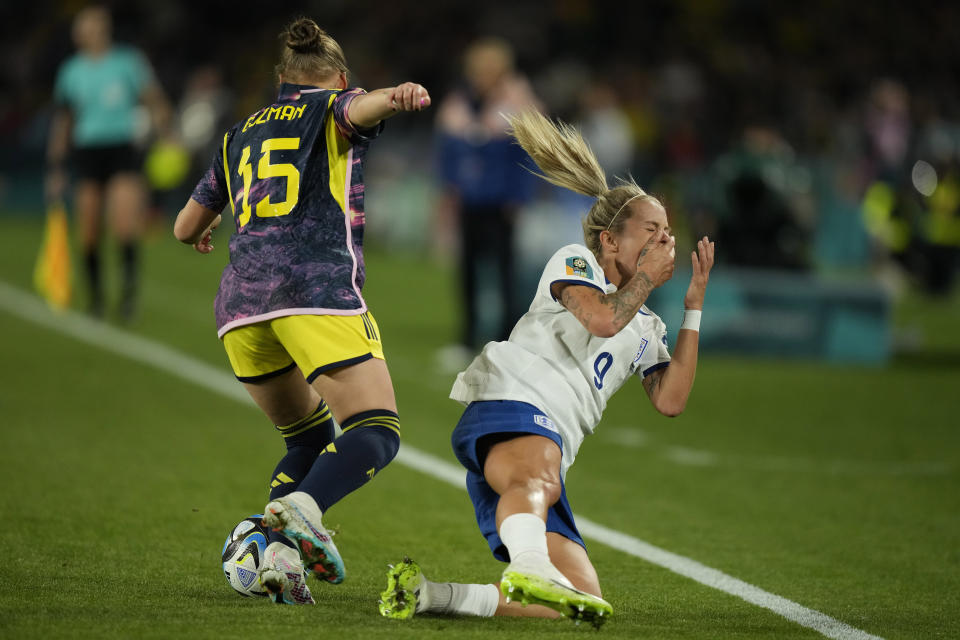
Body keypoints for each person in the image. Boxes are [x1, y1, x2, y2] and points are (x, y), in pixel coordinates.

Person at [379, 110, 715, 627]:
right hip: (516, 399)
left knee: (579, 599)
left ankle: (430, 595)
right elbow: (602, 320)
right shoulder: (575, 262)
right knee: (538, 485)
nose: (665, 242)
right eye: (652, 229)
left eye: (668, 232)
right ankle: (530, 563)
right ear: (609, 240)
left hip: (548, 444)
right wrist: (645, 280)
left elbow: (671, 400)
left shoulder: (649, 328)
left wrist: (693, 306)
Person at [173, 17, 430, 606]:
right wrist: (395, 97)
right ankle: (303, 510)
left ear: (280, 80)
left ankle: (279, 559)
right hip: (313, 292)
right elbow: (359, 111)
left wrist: (214, 218)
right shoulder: (335, 106)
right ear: (338, 78)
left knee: (308, 440)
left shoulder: (237, 133)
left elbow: (185, 226)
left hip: (240, 306)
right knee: (376, 431)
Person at [46, 5, 170, 320]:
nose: (82, 31)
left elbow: (154, 100)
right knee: (88, 230)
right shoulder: (71, 70)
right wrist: (56, 167)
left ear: (102, 29)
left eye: (88, 25)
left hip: (122, 149)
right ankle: (97, 298)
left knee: (125, 225)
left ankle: (128, 299)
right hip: (87, 152)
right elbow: (64, 121)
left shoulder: (127, 62)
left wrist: (163, 134)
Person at [434, 38, 542, 368]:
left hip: (501, 205)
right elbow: (448, 152)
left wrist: (519, 197)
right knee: (467, 271)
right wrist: (449, 189)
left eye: (488, 70)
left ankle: (507, 340)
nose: (481, 76)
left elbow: (528, 155)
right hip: (469, 201)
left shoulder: (518, 105)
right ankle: (467, 339)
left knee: (504, 273)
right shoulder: (460, 104)